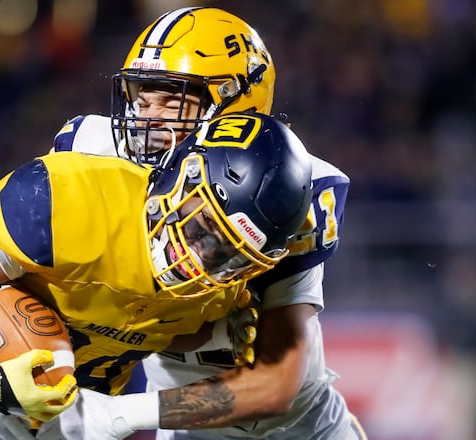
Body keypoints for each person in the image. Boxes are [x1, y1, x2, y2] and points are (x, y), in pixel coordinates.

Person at [0, 111, 314, 439]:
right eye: (204, 228)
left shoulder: (214, 294)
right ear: (185, 177)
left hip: (69, 427)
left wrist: (214, 333)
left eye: (228, 257)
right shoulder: (75, 201)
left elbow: (152, 331)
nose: (198, 257)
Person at [48, 6, 365, 439]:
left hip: (295, 431)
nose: (148, 117)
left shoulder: (278, 184)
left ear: (235, 100)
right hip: (183, 427)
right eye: (142, 97)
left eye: (172, 99)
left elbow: (276, 384)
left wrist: (116, 415)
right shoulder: (94, 154)